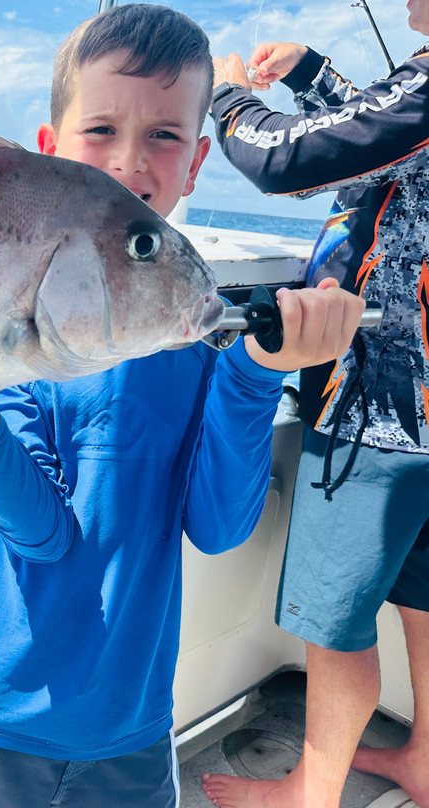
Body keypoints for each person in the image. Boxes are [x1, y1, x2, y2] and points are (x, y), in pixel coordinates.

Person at [0, 5, 366, 806]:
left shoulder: (200, 338)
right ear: (48, 153)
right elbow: (44, 536)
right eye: (101, 130)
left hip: (134, 722)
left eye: (163, 135)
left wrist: (258, 372)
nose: (129, 160)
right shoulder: (5, 321)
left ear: (195, 162)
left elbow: (218, 527)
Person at [202, 5, 429, 806]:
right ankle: (426, 760)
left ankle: (311, 792)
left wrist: (228, 99)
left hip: (378, 412)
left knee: (335, 619)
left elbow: (289, 158)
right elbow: (382, 135)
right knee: (422, 598)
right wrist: (307, 72)